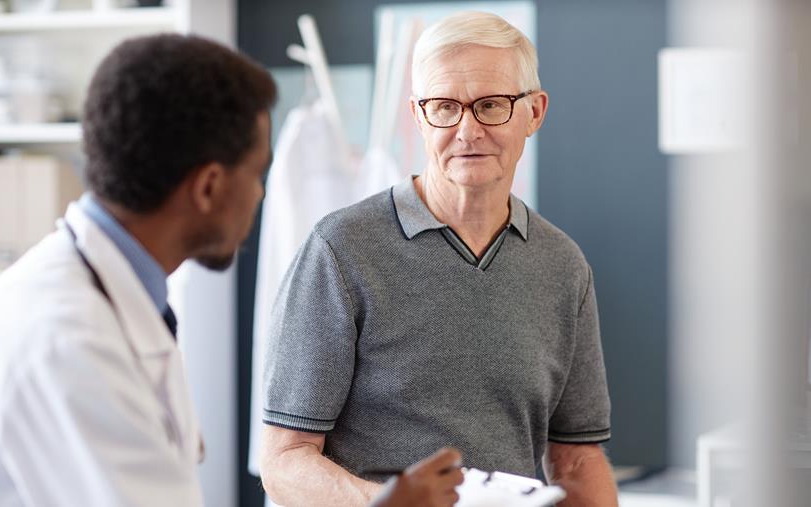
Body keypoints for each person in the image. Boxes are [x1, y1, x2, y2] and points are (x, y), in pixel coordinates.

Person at [0, 34, 460, 507]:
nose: (260, 197)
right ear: (209, 187)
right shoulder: (72, 340)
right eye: (257, 174)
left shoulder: (115, 295)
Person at [260, 10, 618, 507]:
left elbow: (578, 459)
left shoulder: (562, 266)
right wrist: (387, 503)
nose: (467, 130)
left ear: (534, 112)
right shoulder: (341, 251)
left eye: (491, 105)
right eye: (445, 107)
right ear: (419, 116)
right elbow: (285, 460)